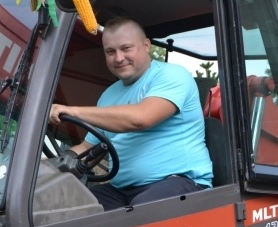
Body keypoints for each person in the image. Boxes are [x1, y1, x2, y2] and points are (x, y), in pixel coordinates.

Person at [49, 17, 213, 210]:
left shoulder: (173, 75)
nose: (118, 58)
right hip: (121, 191)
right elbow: (87, 147)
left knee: (140, 212)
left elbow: (142, 118)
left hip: (180, 183)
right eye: (110, 52)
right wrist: (50, 171)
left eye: (126, 48)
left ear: (146, 46)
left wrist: (73, 111)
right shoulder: (108, 95)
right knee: (70, 209)